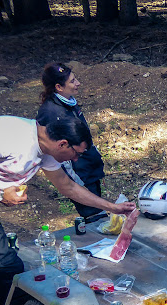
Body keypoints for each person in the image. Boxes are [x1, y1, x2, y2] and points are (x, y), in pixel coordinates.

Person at [0, 115, 136, 305]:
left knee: (6, 265)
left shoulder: (47, 150)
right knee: (6, 264)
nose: (75, 159)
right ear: (62, 144)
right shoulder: (9, 135)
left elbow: (68, 187)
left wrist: (112, 207)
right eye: (76, 153)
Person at [37, 62, 107, 220]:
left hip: (89, 167)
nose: (78, 83)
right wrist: (77, 181)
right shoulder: (51, 113)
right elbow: (58, 154)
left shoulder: (69, 103)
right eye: (73, 81)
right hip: (79, 174)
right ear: (59, 87)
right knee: (95, 217)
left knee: (98, 213)